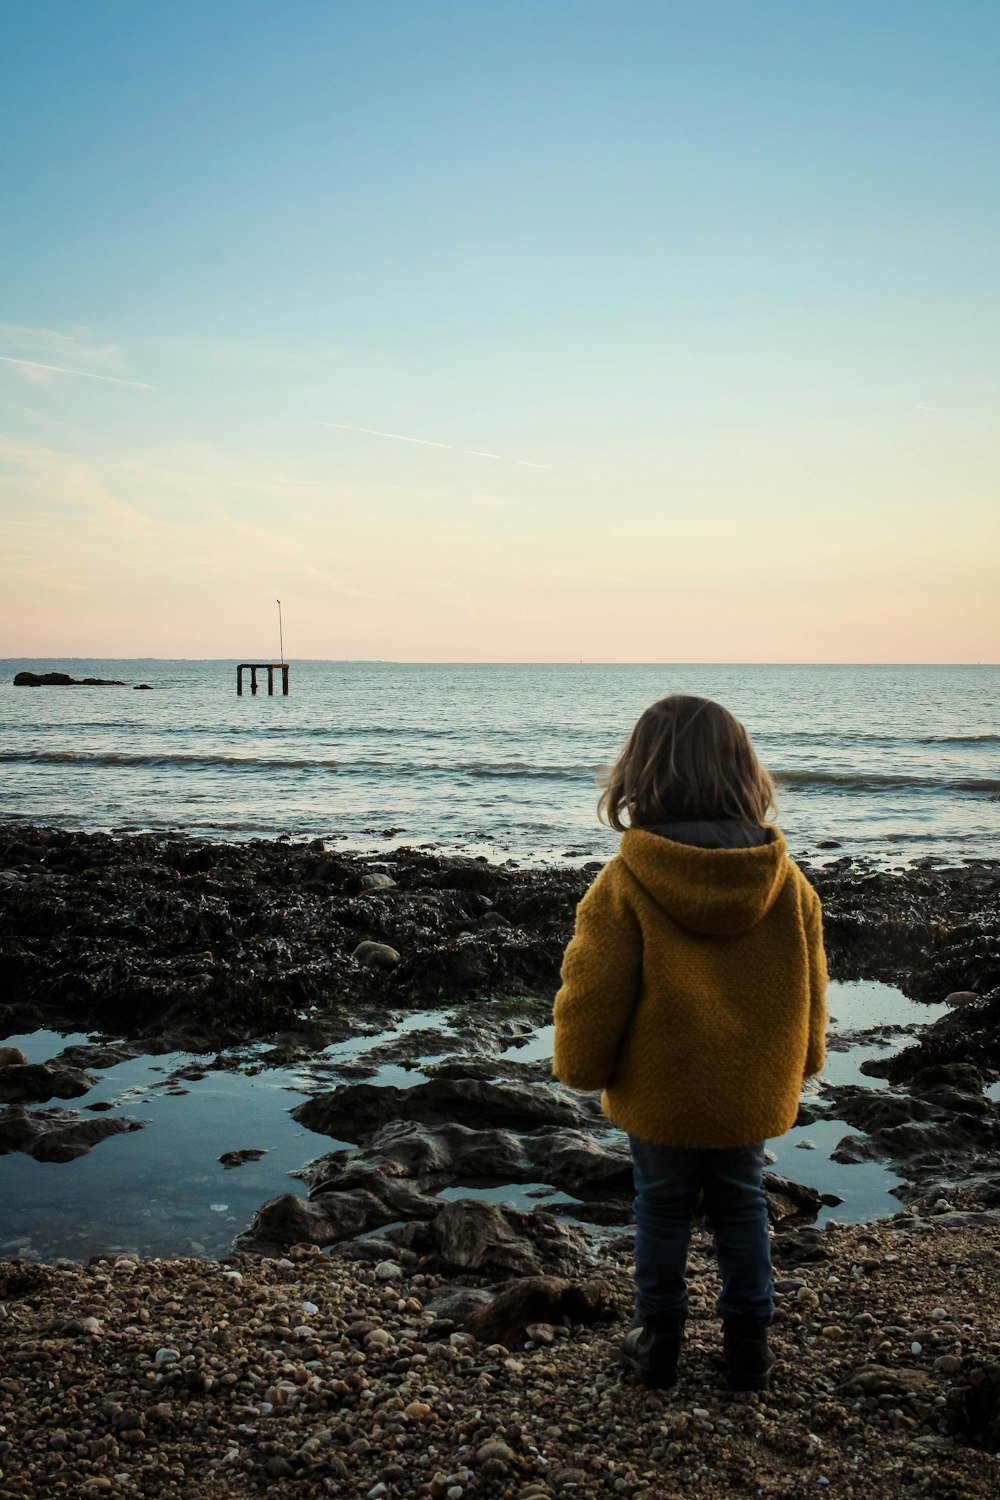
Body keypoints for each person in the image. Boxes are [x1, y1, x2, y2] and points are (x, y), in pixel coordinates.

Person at [552, 694, 827, 1391]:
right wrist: (807, 1061)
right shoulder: (787, 882)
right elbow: (813, 984)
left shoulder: (625, 881)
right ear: (745, 774)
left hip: (661, 1091)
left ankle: (658, 1343)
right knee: (742, 1202)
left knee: (662, 1207)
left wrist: (580, 1065)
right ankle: (747, 1349)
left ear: (640, 777)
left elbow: (593, 988)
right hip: (749, 1090)